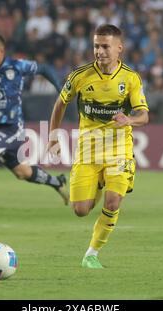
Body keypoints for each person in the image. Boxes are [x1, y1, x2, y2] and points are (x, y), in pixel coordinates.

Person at [47, 24, 149, 269]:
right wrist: (53, 136)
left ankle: (91, 254)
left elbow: (144, 115)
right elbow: (60, 104)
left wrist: (130, 119)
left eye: (105, 46)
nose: (100, 51)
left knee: (113, 202)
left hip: (118, 149)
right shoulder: (79, 76)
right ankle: (100, 183)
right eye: (96, 46)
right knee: (80, 210)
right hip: (88, 149)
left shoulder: (130, 78)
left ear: (119, 48)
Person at [0, 33, 69, 223]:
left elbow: (43, 68)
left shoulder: (17, 66)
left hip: (12, 128)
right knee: (23, 173)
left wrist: (61, 89)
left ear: (1, 51)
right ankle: (57, 182)